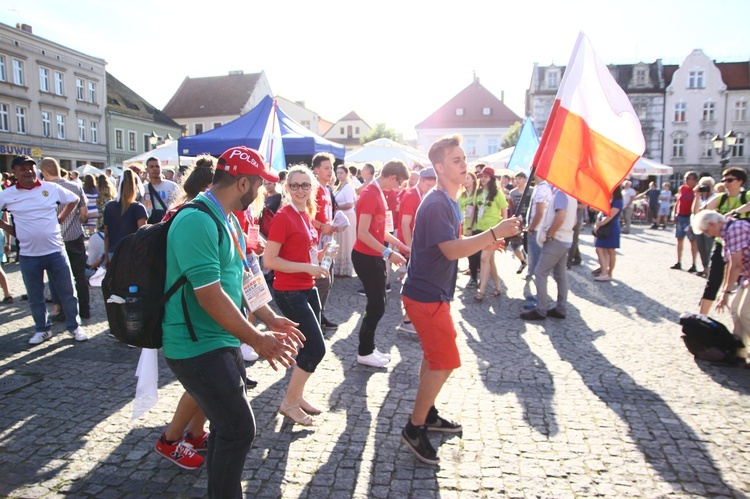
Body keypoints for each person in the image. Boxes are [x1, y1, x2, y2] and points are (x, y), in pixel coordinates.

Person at [161, 146, 304, 497]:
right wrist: (256, 339)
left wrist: (271, 318)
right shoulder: (196, 219)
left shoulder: (225, 218)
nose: (261, 193)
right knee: (238, 428)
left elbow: (244, 278)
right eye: (259, 185)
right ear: (242, 183)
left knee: (230, 428)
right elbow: (209, 295)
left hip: (218, 340)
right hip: (194, 345)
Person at [400, 134, 521, 465]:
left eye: (464, 158)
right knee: (445, 361)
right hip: (425, 296)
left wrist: (484, 243)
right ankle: (414, 427)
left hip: (431, 293)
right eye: (456, 160)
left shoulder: (449, 200)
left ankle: (429, 413)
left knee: (434, 357)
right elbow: (451, 250)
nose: (464, 164)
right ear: (439, 167)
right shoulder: (439, 202)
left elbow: (454, 242)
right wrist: (496, 233)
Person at [265, 165, 332, 426]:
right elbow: (270, 260)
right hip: (289, 291)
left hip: (307, 286)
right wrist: (308, 267)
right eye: (295, 185)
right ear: (287, 188)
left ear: (312, 188)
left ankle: (297, 396)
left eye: (305, 185)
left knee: (307, 346)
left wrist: (323, 257)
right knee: (316, 347)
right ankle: (289, 403)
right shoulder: (284, 216)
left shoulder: (305, 214)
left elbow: (302, 251)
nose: (300, 190)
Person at [0, 156, 88, 344]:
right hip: (28, 255)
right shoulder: (7, 194)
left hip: (55, 250)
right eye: (23, 169)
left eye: (31, 167)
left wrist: (61, 217)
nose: (28, 171)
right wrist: (8, 228)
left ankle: (74, 326)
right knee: (35, 296)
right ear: (14, 172)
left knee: (68, 291)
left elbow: (74, 199)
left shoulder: (50, 188)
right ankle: (42, 329)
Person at [352, 159, 410, 367]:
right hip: (366, 257)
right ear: (392, 177)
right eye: (398, 183)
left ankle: (368, 348)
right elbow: (363, 233)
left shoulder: (377, 193)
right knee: (376, 305)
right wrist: (388, 253)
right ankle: (365, 351)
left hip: (372, 255)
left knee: (378, 304)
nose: (397, 188)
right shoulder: (370, 194)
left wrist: (400, 245)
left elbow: (379, 230)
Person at [692, 210, 750, 362]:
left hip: (747, 274)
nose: (708, 236)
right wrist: (724, 291)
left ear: (712, 224)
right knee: (736, 308)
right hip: (747, 275)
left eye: (706, 231)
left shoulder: (735, 229)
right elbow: (729, 264)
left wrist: (727, 291)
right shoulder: (727, 232)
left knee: (745, 313)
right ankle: (740, 351)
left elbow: (737, 264)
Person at [39, 158, 91, 321]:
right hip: (74, 236)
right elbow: (84, 214)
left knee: (56, 277)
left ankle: (63, 311)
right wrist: (75, 222)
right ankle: (84, 309)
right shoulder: (75, 186)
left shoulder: (43, 189)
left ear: (44, 172)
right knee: (80, 275)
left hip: (53, 238)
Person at [695, 167, 749, 314]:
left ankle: (738, 316)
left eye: (730, 180)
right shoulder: (721, 198)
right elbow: (701, 214)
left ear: (740, 181)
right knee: (713, 281)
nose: (726, 183)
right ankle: (701, 318)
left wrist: (738, 211)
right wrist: (696, 196)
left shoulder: (747, 196)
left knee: (740, 281)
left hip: (743, 247)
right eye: (724, 180)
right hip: (723, 244)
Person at [520, 187, 577, 320]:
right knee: (560, 274)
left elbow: (561, 216)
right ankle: (560, 308)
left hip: (557, 239)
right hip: (565, 238)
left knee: (540, 273)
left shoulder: (561, 194)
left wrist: (550, 234)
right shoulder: (570, 194)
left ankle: (541, 309)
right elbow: (573, 219)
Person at [396, 167, 437, 333]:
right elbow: (405, 224)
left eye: (431, 186)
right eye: (427, 185)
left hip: (417, 246)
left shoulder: (420, 194)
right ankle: (408, 321)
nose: (429, 189)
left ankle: (411, 319)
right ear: (421, 181)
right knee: (415, 284)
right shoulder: (412, 196)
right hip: (413, 247)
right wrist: (410, 248)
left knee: (417, 283)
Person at [472, 166, 509, 301]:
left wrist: (504, 231)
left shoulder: (498, 194)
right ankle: (498, 288)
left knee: (484, 258)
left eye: (485, 177)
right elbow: (474, 210)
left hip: (495, 230)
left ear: (492, 179)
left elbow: (505, 213)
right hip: (482, 230)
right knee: (490, 260)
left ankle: (481, 291)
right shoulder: (478, 192)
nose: (482, 179)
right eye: (481, 177)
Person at [310, 153, 338, 330]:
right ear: (317, 170)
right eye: (326, 168)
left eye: (331, 168)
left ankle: (320, 314)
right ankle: (314, 319)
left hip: (327, 239)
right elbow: (305, 215)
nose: (330, 171)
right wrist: (322, 226)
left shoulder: (327, 189)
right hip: (317, 241)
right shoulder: (313, 189)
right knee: (321, 280)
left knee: (328, 279)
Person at [103, 169, 147, 262]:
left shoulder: (109, 206)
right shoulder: (138, 208)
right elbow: (142, 236)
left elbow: (106, 235)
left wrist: (106, 257)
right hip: (132, 254)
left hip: (113, 253)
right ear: (136, 186)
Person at [523, 173, 552, 308]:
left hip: (537, 230)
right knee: (535, 264)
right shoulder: (541, 187)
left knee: (537, 265)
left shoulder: (542, 188)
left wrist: (531, 228)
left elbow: (539, 213)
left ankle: (539, 299)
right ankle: (539, 295)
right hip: (538, 229)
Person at [592, 187, 623, 282]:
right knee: (601, 249)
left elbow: (611, 215)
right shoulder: (610, 200)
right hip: (606, 226)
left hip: (611, 227)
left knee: (610, 251)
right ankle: (604, 270)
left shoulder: (618, 201)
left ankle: (607, 273)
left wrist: (599, 224)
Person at [671, 171, 699, 271]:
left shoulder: (697, 190)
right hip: (680, 216)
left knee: (692, 241)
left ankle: (694, 264)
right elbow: (678, 202)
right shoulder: (682, 188)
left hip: (690, 217)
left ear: (694, 180)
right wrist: (674, 214)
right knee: (679, 239)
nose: (686, 180)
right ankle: (678, 262)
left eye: (688, 178)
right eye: (685, 178)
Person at [332, 165, 356, 277]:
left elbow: (349, 204)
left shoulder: (348, 187)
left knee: (346, 242)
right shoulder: (340, 186)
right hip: (340, 217)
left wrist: (335, 206)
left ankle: (345, 269)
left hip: (347, 217)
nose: (339, 175)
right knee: (340, 243)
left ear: (346, 174)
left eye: (341, 172)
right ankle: (338, 268)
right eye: (338, 173)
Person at [143, 157, 182, 224]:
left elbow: (179, 205)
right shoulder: (142, 188)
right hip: (149, 225)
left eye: (157, 166)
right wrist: (140, 181)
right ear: (147, 170)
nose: (155, 169)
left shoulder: (172, 186)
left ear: (161, 168)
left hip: (167, 223)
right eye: (151, 167)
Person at [691, 176, 716, 277]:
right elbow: (694, 211)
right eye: (703, 185)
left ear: (712, 186)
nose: (705, 188)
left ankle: (711, 269)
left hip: (711, 227)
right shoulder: (700, 198)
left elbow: (705, 209)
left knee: (709, 247)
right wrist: (696, 196)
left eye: (708, 185)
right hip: (700, 226)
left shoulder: (716, 197)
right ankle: (705, 268)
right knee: (701, 248)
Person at [458, 172, 478, 287]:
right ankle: (473, 275)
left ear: (474, 180)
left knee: (478, 253)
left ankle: (475, 273)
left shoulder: (478, 193)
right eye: (464, 178)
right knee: (470, 252)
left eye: (468, 178)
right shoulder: (462, 196)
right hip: (466, 228)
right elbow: (459, 212)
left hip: (478, 226)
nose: (465, 180)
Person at [507, 172, 530, 274]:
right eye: (516, 179)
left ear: (525, 179)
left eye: (520, 178)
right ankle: (523, 261)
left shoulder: (531, 191)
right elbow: (510, 207)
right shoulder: (513, 193)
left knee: (528, 246)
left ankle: (530, 267)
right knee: (515, 245)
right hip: (517, 221)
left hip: (529, 220)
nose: (518, 181)